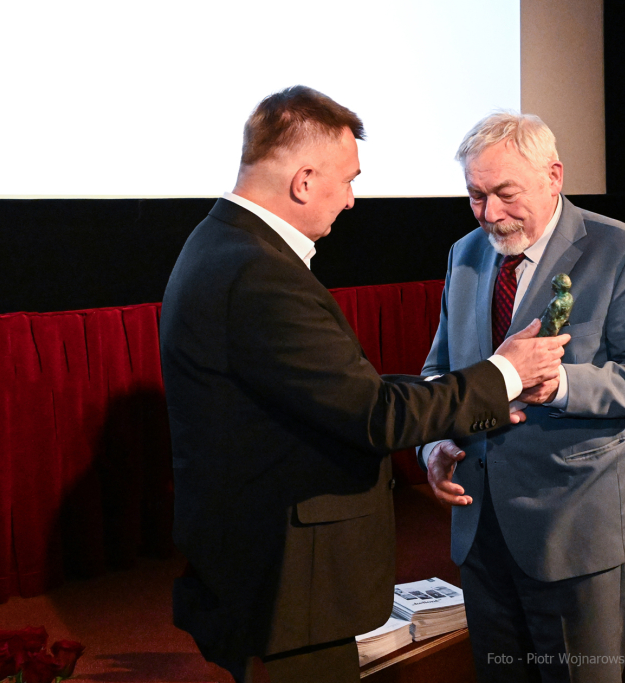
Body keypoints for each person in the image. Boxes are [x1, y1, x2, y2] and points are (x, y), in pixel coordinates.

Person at [158, 87, 570, 683]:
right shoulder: (258, 272)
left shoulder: (221, 242)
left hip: (255, 563)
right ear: (303, 181)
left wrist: (466, 400)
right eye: (348, 180)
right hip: (285, 582)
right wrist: (507, 371)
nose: (352, 201)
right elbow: (374, 414)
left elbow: (335, 392)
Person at [419, 112, 625, 683]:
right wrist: (433, 442)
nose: (490, 214)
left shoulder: (621, 250)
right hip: (479, 529)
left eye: (505, 193)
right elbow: (439, 369)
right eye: (476, 196)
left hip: (574, 529)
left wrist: (558, 385)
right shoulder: (466, 253)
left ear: (553, 176)